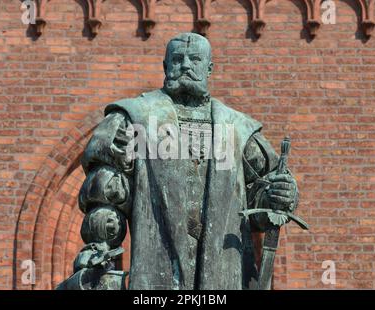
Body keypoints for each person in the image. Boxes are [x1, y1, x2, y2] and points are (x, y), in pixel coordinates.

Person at [61, 32, 299, 290]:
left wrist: (280, 194)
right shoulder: (136, 118)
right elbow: (107, 195)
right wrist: (101, 251)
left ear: (209, 68)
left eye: (195, 59)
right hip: (157, 272)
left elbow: (262, 197)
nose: (185, 65)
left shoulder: (238, 129)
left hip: (224, 274)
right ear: (165, 66)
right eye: (177, 59)